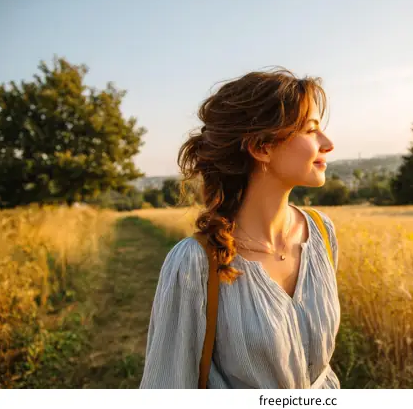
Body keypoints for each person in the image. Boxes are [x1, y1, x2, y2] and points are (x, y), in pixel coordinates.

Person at [139, 67, 340, 389]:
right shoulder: (194, 263)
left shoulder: (321, 233)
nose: (327, 143)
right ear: (262, 147)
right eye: (311, 130)